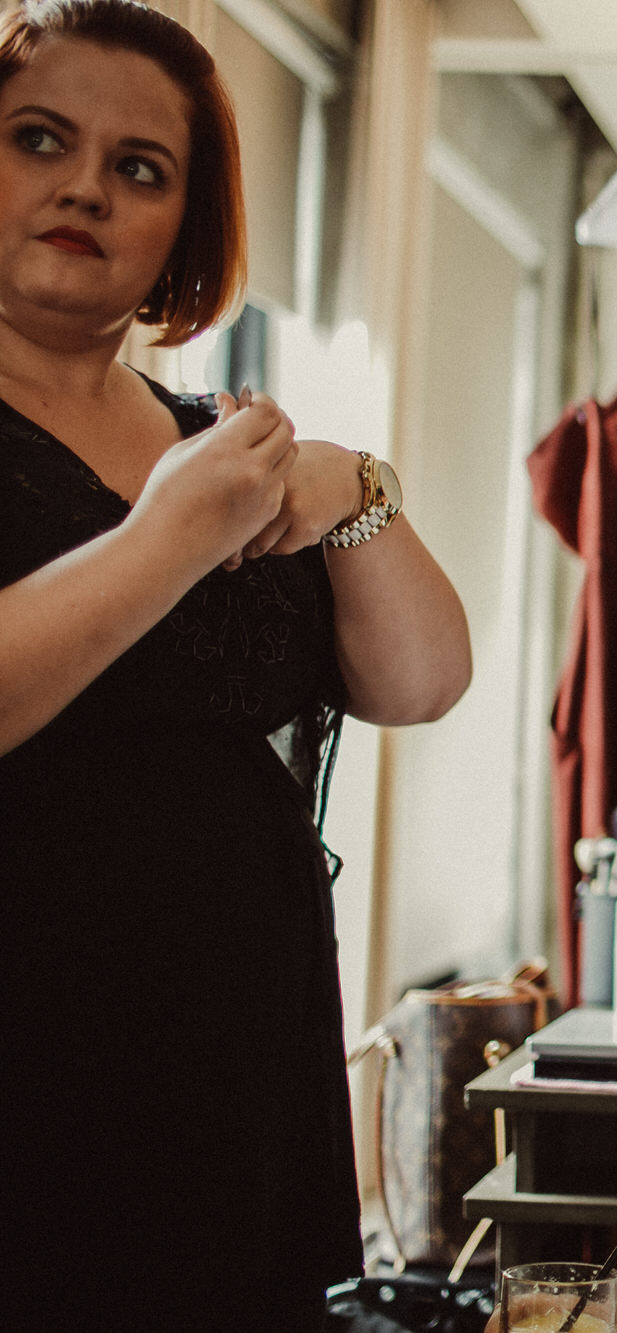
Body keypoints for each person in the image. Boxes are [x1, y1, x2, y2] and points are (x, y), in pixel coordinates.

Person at [0, 2, 471, 1327]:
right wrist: (171, 535)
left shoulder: (221, 439)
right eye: (40, 140)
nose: (87, 185)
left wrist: (358, 490)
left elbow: (423, 682)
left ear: (182, 228)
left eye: (141, 168)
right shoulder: (198, 491)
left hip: (243, 1075)